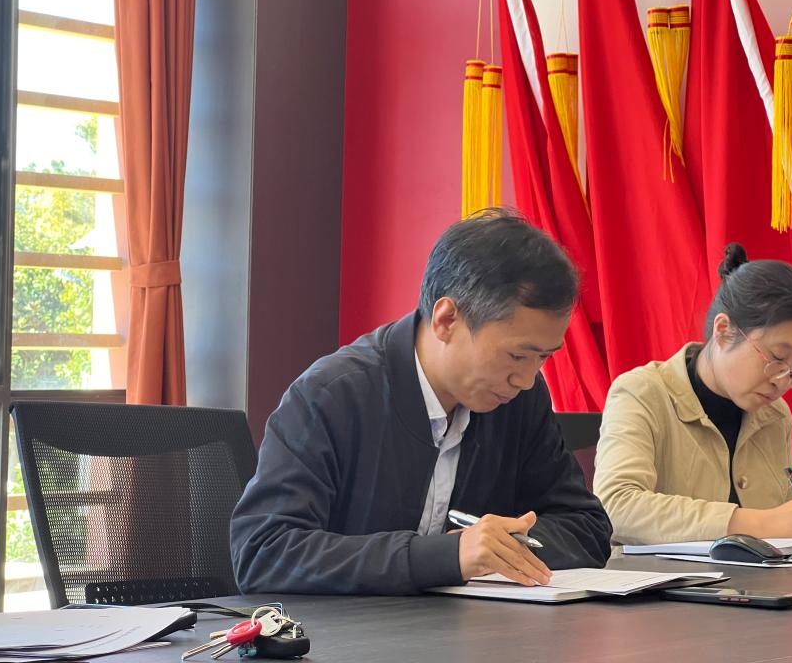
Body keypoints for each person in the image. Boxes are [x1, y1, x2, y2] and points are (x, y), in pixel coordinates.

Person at [230, 209, 612, 594]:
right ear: (446, 320)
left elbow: (587, 528)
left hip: (470, 627)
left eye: (542, 357)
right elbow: (263, 552)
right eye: (516, 356)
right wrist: (445, 556)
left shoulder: (521, 401)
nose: (526, 379)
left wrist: (500, 549)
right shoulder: (332, 394)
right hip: (347, 630)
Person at [594, 243, 792, 545]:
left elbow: (784, 526)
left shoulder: (775, 415)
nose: (782, 381)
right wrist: (757, 523)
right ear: (724, 331)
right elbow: (615, 506)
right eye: (777, 358)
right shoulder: (643, 392)